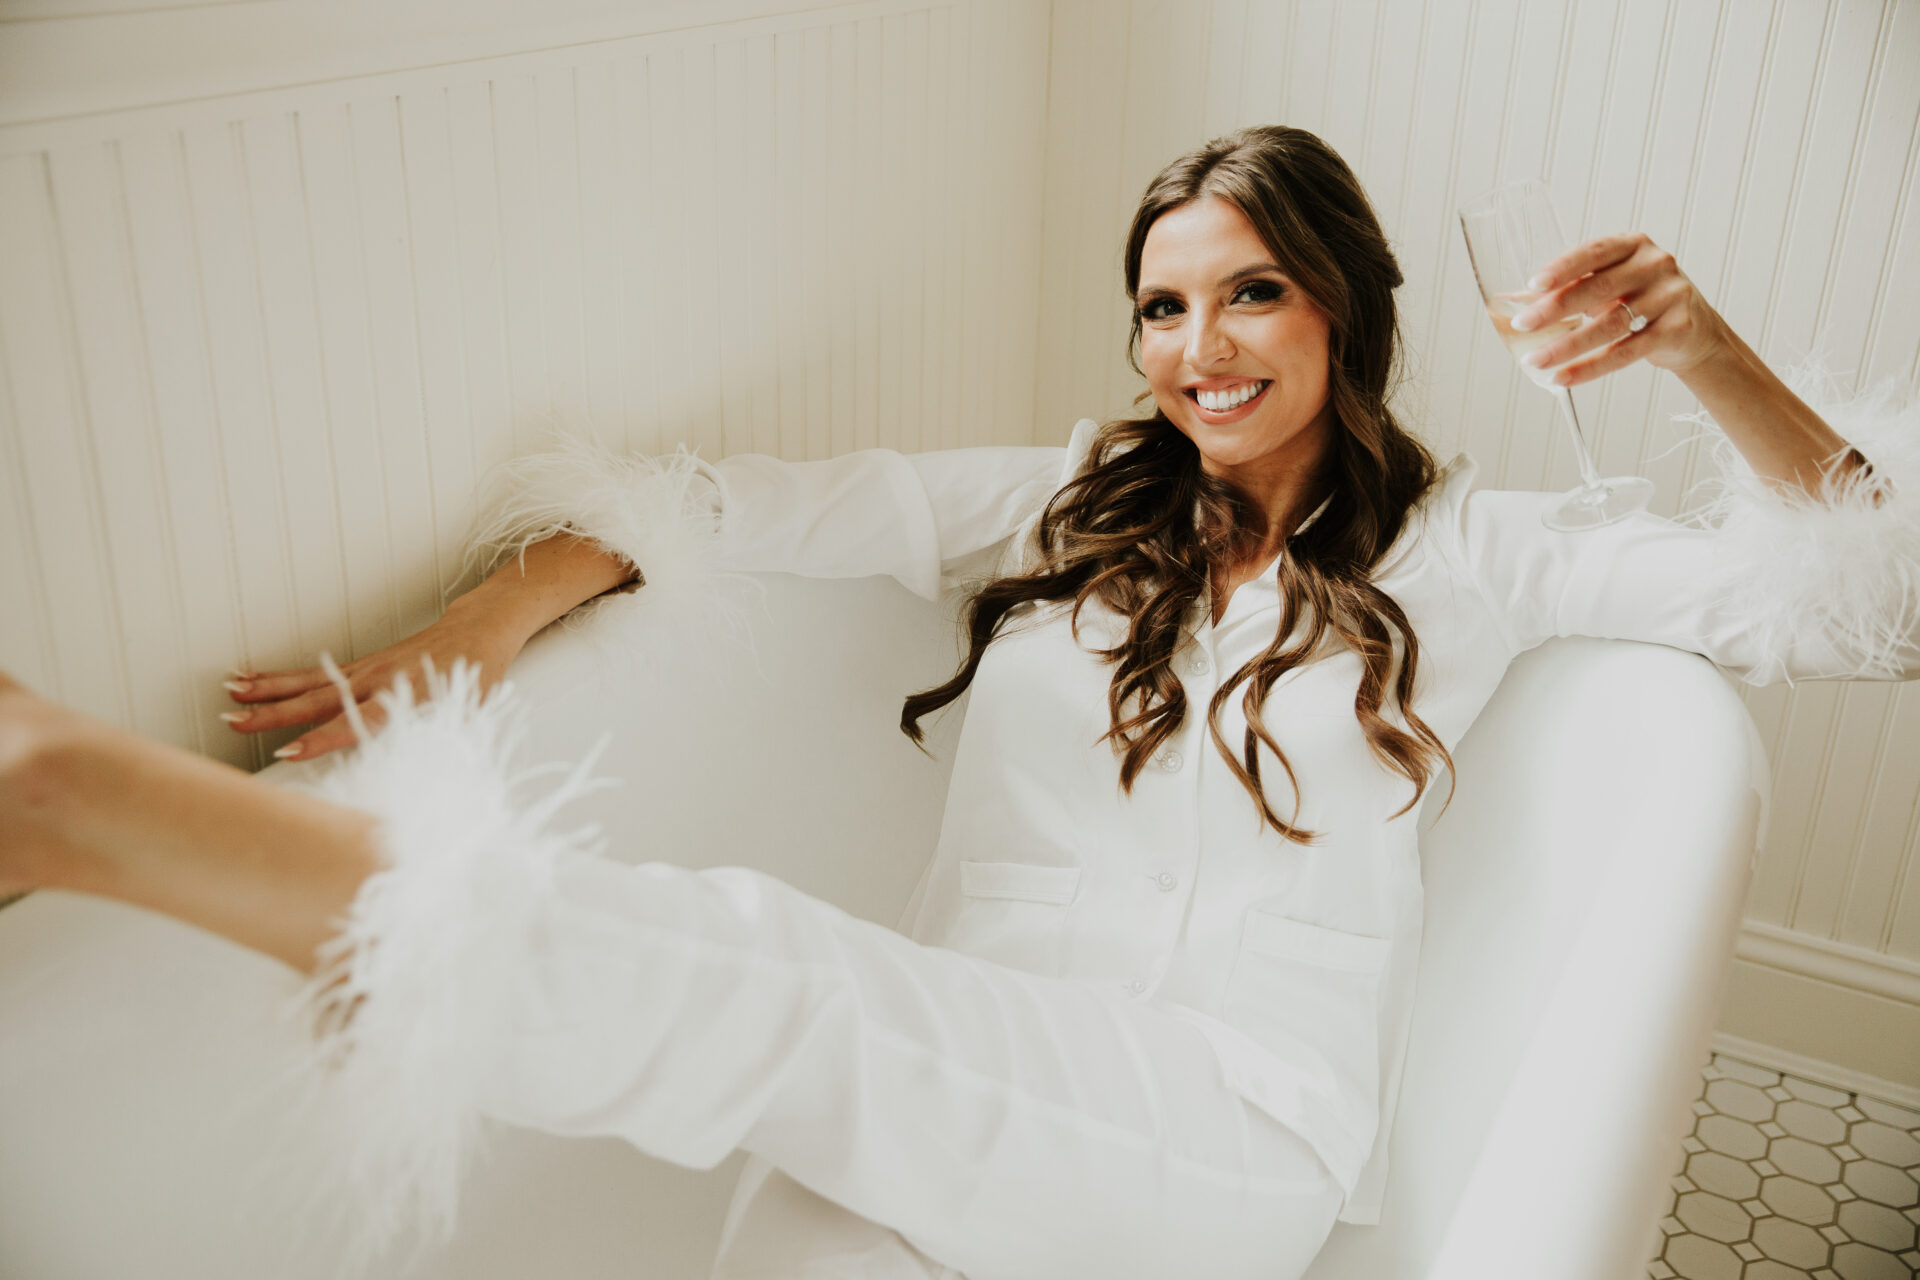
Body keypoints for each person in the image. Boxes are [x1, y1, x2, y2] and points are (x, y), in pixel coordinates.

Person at [2, 125, 1917, 1280]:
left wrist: (1700, 349)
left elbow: (1866, 614)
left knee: (785, 984)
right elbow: (736, 512)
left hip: (1227, 1124)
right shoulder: (1069, 501)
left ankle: (92, 808)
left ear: (1344, 306)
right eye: (1163, 308)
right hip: (953, 1069)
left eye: (1250, 296)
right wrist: (493, 615)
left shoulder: (1481, 550)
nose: (1198, 350)